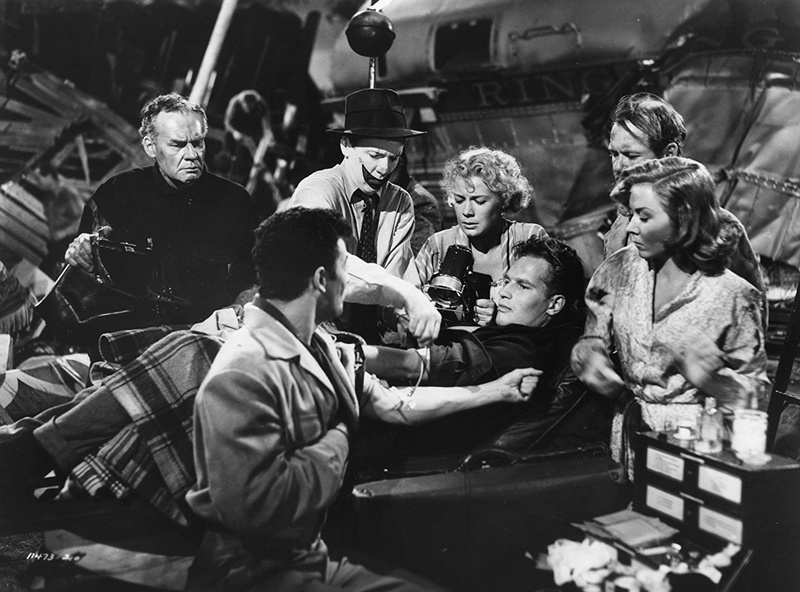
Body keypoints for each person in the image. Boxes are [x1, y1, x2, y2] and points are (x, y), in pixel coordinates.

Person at [183, 207, 538, 591]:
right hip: (249, 574)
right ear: (322, 280)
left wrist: (494, 391)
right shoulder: (243, 373)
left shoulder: (318, 345)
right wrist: (340, 434)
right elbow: (258, 511)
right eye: (344, 269)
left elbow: (393, 405)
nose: (349, 283)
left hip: (308, 558)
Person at [571, 157, 770, 473]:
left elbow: (755, 397)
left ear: (684, 219)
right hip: (627, 436)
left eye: (644, 217)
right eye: (632, 215)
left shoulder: (733, 296)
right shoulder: (618, 269)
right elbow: (593, 336)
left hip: (698, 447)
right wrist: (590, 355)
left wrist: (711, 380)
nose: (631, 227)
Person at [364, 236, 588, 453]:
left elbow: (421, 365)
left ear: (554, 304)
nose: (504, 293)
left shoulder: (521, 352)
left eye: (523, 286)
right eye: (507, 281)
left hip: (412, 451)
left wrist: (354, 355)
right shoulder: (525, 334)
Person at [64, 93, 260, 327]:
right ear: (150, 147)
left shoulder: (236, 202)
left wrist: (238, 308)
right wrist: (81, 249)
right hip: (130, 333)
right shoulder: (117, 193)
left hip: (204, 335)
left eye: (198, 143)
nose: (192, 155)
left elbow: (255, 279)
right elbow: (86, 258)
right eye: (177, 145)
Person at [289, 87, 426, 343]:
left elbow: (393, 279)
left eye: (394, 158)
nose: (384, 168)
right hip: (315, 331)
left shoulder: (400, 203)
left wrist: (401, 316)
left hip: (370, 335)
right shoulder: (317, 191)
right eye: (375, 155)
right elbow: (334, 266)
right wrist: (404, 293)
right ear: (346, 146)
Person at [603, 93, 765, 307]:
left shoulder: (718, 228)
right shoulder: (620, 227)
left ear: (669, 153)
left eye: (631, 156)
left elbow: (751, 307)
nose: (618, 167)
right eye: (614, 154)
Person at [404, 146, 546, 326]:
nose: (467, 212)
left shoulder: (529, 238)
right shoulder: (438, 245)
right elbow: (407, 304)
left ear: (504, 200)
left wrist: (501, 318)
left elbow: (550, 309)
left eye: (479, 201)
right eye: (459, 200)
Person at [389, 152, 443, 254]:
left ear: (399, 162)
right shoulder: (384, 196)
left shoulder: (421, 201)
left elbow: (420, 254)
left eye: (391, 159)